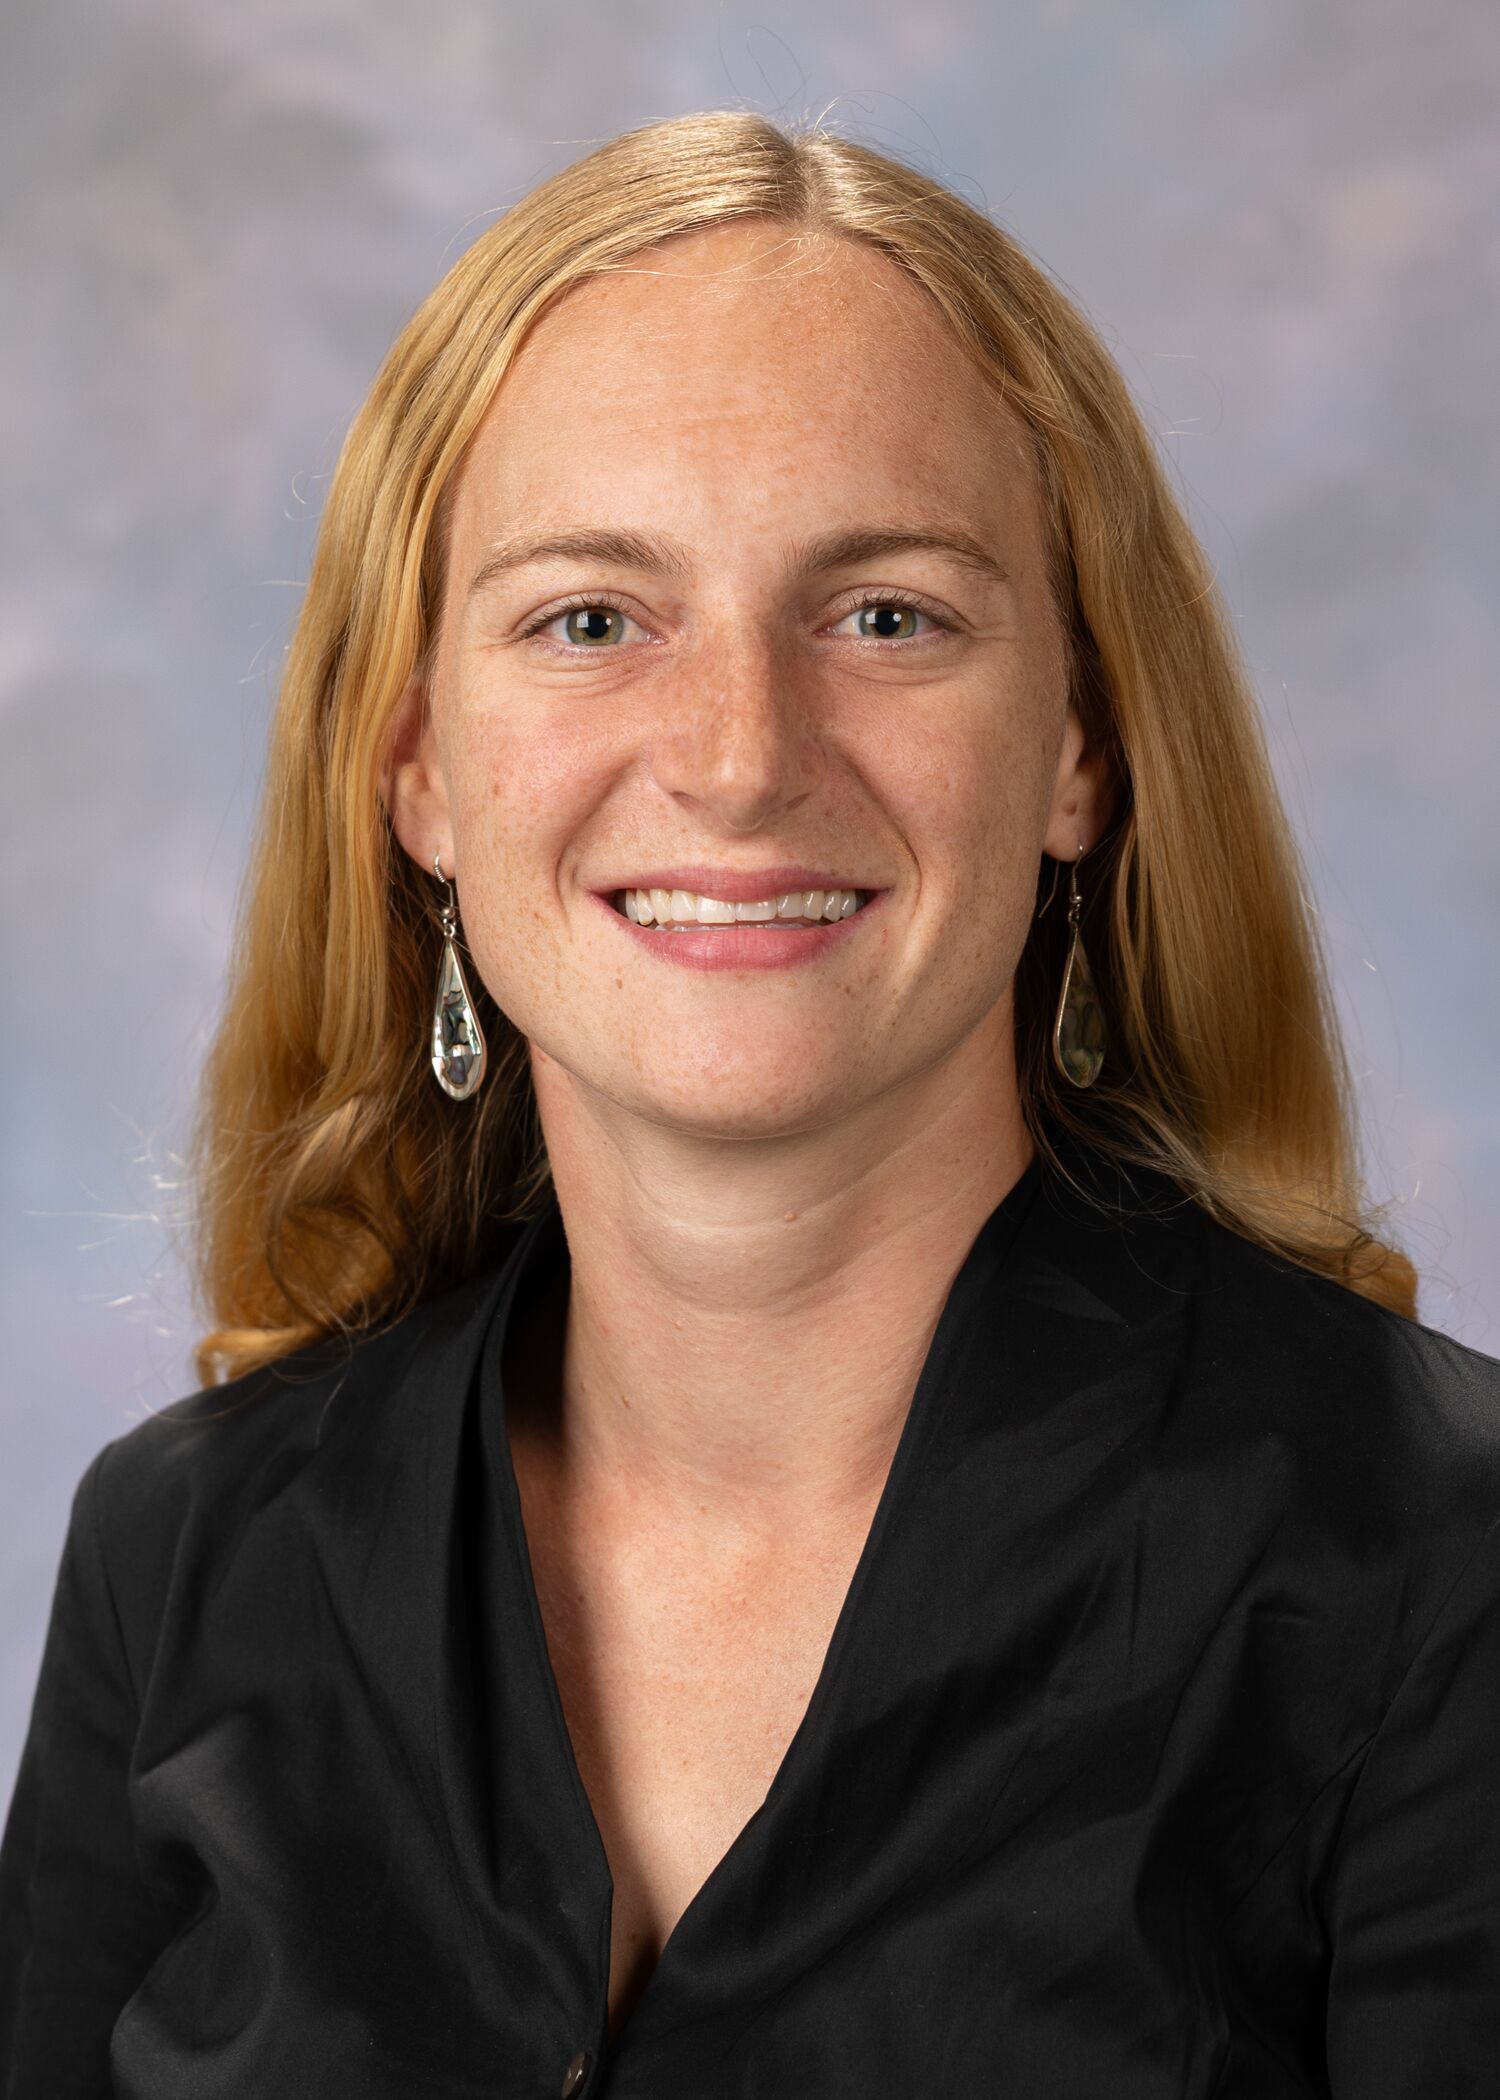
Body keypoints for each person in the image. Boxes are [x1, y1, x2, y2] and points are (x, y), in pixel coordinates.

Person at [2, 107, 1497, 2099]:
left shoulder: (1431, 1560)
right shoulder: (182, 1552)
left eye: (886, 614)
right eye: (591, 619)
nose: (734, 757)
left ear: (1080, 753)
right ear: (421, 770)